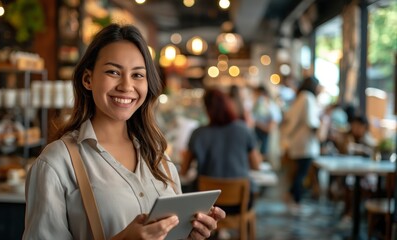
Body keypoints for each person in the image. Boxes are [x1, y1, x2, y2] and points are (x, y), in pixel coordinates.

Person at [23, 24, 225, 240]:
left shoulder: (159, 158)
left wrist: (189, 234)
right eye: (113, 72)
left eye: (138, 75)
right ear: (88, 80)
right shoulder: (56, 163)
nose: (126, 86)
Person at [180, 88, 262, 214]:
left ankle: (213, 233)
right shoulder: (243, 129)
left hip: (206, 205)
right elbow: (256, 166)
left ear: (206, 109)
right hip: (240, 204)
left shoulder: (198, 134)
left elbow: (184, 171)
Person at [281, 76, 322, 210]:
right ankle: (296, 201)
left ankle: (290, 196)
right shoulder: (308, 97)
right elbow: (311, 121)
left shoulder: (300, 97)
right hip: (305, 144)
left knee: (298, 172)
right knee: (301, 173)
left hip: (297, 142)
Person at [251, 85, 282, 160]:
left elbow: (270, 128)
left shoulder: (272, 108)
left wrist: (256, 123)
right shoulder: (257, 106)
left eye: (257, 94)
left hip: (268, 141)